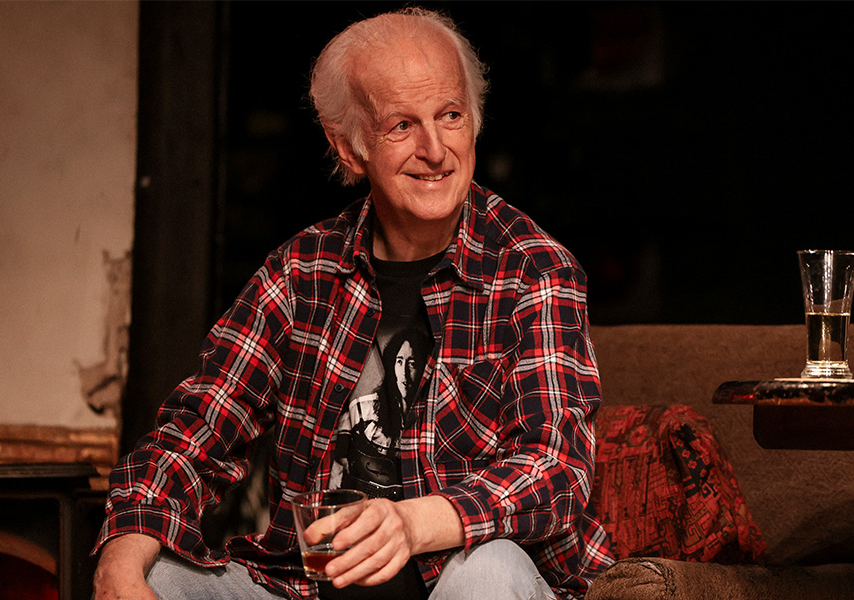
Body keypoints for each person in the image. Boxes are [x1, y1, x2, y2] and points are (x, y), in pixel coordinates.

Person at [92, 7, 613, 600]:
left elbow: (556, 470)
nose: (436, 149)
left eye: (451, 116)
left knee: (486, 569)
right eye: (401, 126)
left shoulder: (533, 269)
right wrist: (120, 560)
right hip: (308, 589)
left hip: (463, 585)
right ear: (349, 147)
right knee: (159, 575)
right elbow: (195, 432)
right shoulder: (300, 271)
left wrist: (412, 523)